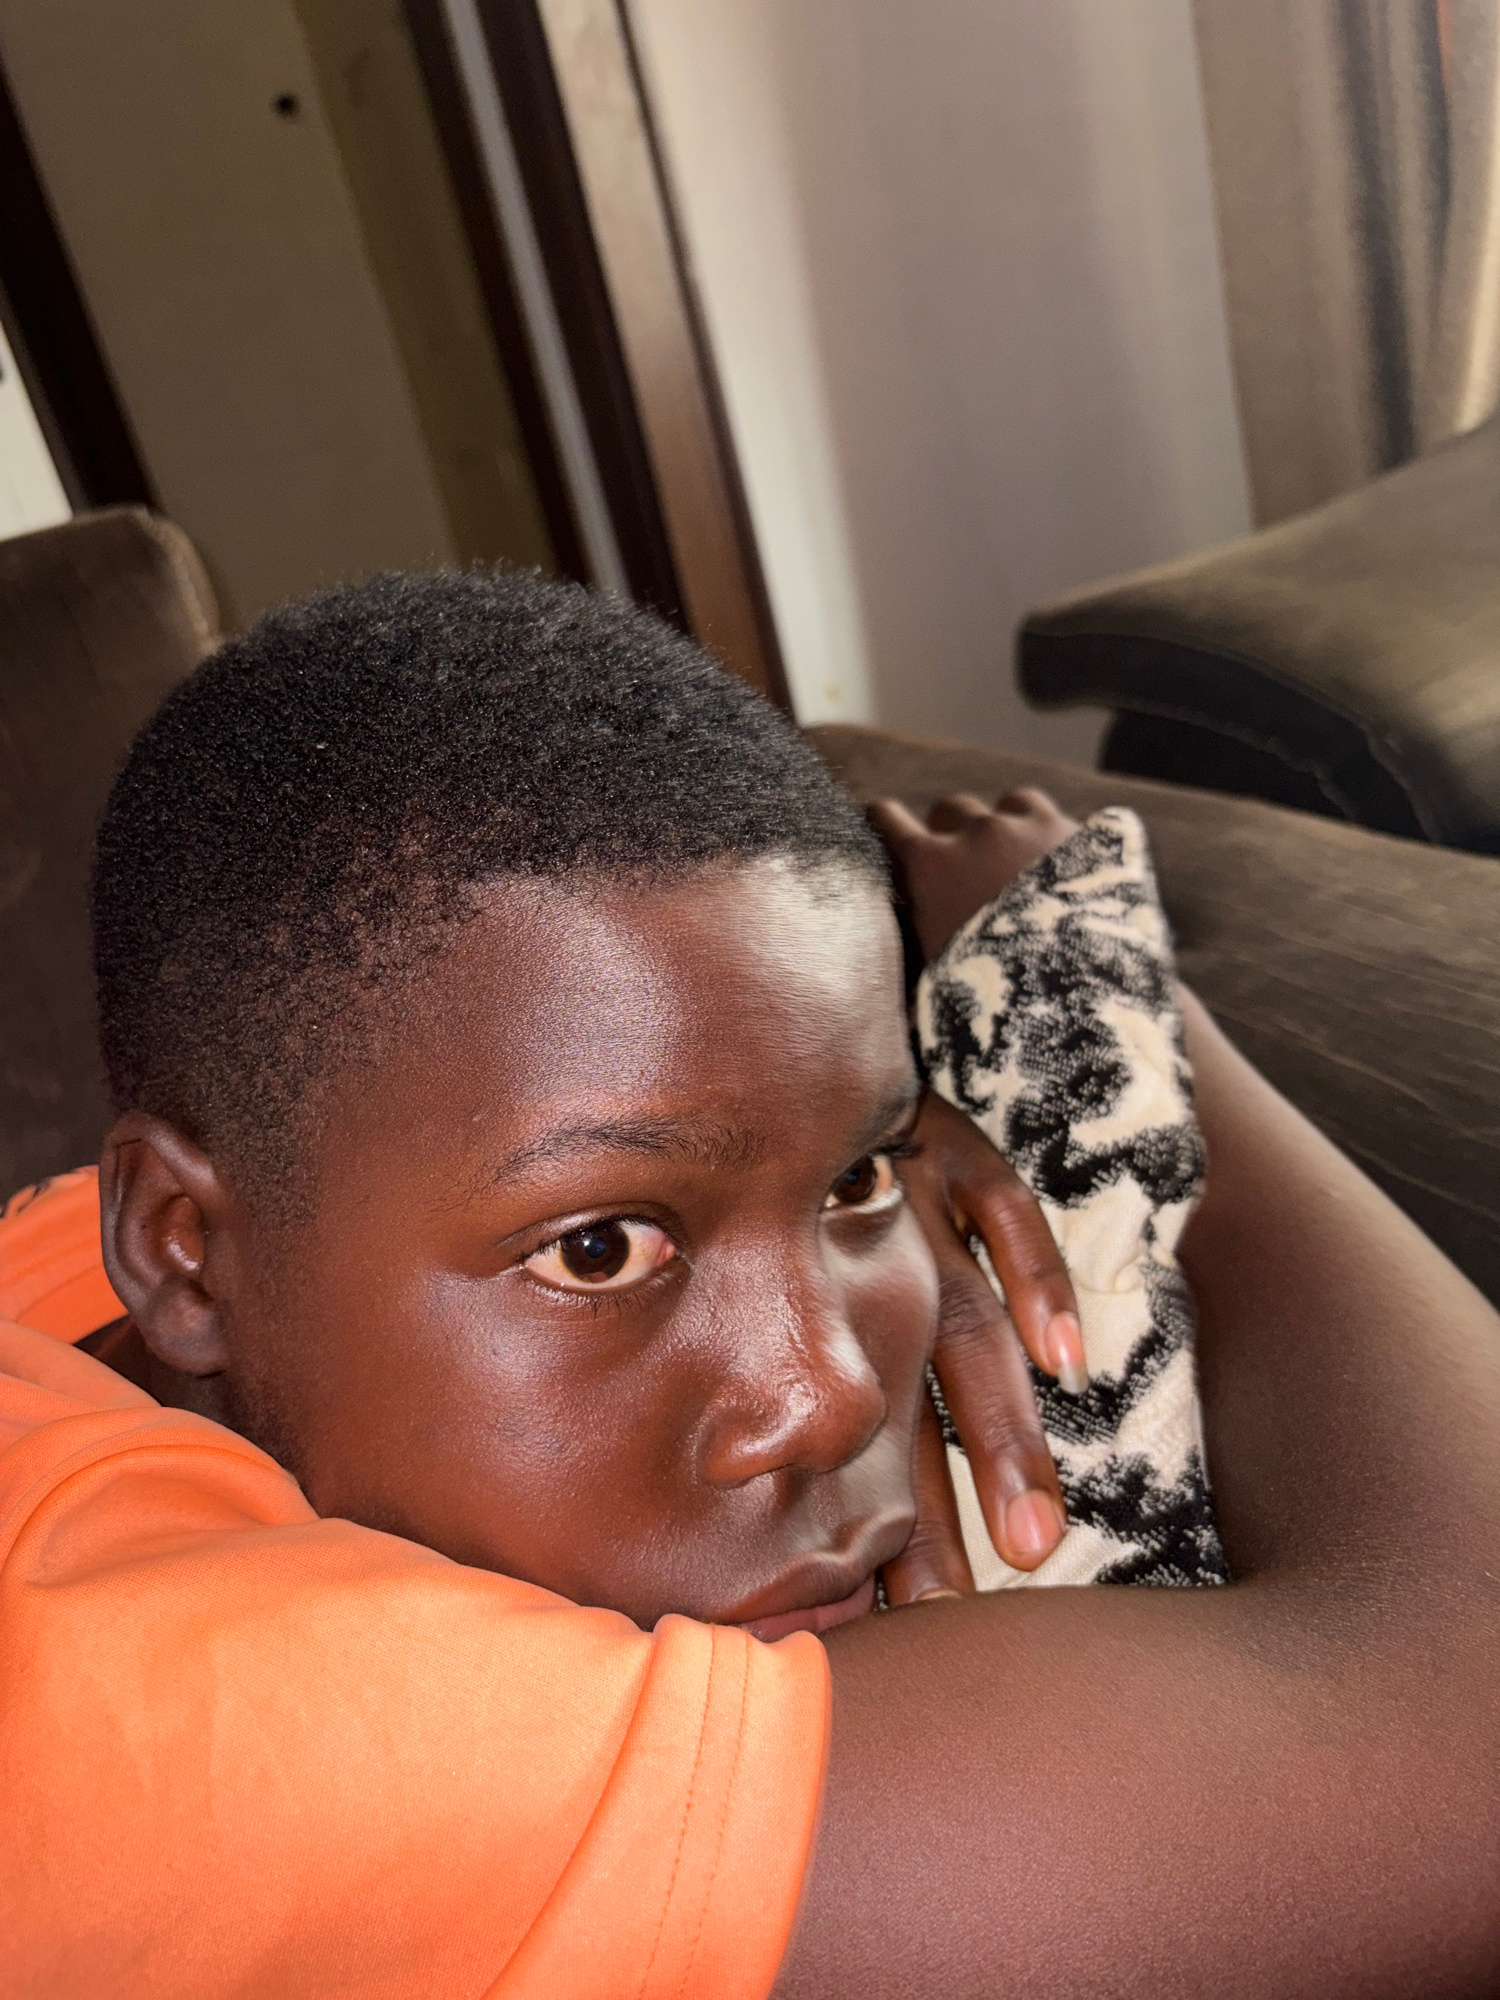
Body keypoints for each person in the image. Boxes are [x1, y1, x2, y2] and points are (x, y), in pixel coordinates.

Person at [1, 570, 1496, 1998]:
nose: (828, 1396)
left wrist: (788, 1149)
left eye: (859, 1180)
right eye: (599, 1250)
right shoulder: (179, 1738)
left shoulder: (129, 1254)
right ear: (182, 1249)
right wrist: (1095, 984)